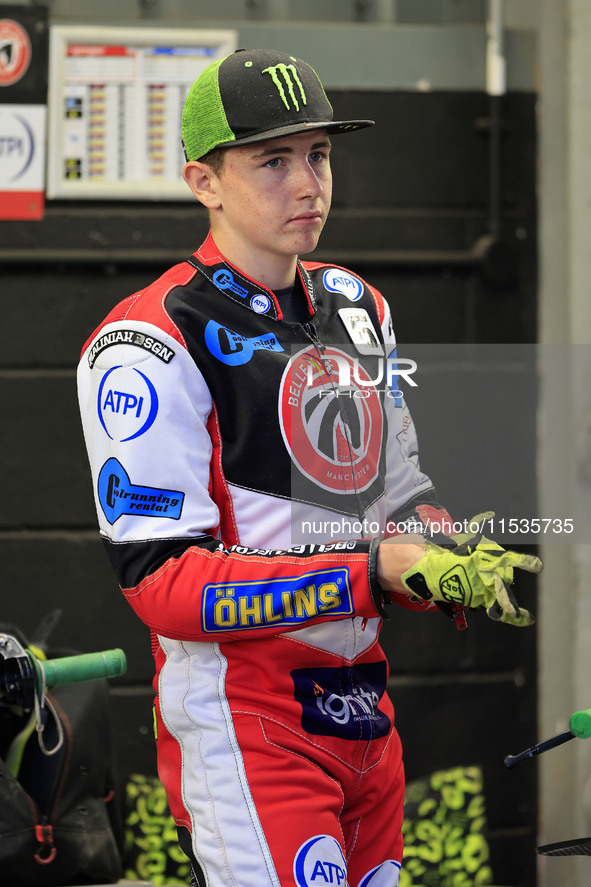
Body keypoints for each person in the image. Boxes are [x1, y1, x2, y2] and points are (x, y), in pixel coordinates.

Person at [77, 49, 542, 887]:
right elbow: (160, 582)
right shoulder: (146, 341)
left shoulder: (359, 305)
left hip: (365, 709)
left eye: (319, 154)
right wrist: (368, 574)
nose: (308, 184)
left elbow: (399, 490)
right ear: (203, 181)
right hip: (245, 723)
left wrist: (442, 553)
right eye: (272, 160)